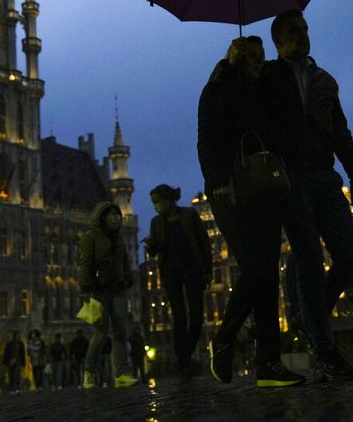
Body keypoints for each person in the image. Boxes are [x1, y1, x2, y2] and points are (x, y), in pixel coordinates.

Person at [260, 9, 353, 381]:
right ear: (278, 41)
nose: (302, 36)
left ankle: (308, 317)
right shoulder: (269, 78)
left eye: (304, 30)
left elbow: (341, 131)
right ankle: (324, 351)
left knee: (350, 255)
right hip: (290, 178)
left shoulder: (325, 81)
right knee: (307, 259)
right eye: (293, 31)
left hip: (325, 175)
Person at [198, 36, 305, 387]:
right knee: (254, 268)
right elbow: (208, 140)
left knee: (268, 277)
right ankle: (224, 338)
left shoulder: (266, 91)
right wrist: (217, 181)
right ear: (236, 58)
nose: (259, 62)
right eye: (252, 57)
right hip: (230, 190)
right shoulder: (216, 91)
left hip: (265, 189)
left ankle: (268, 364)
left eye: (261, 56)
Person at [146, 184, 212, 377]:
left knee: (197, 318)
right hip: (170, 272)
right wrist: (151, 245)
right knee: (179, 317)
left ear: (168, 199)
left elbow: (203, 242)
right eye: (153, 203)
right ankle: (183, 363)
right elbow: (155, 251)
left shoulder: (189, 215)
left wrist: (207, 270)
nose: (156, 206)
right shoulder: (156, 222)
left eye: (157, 202)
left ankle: (184, 353)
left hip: (192, 269)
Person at [78, 201, 139, 389]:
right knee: (101, 333)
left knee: (121, 332)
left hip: (118, 289)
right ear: (102, 217)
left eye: (118, 215)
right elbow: (86, 263)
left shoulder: (119, 238)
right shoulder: (91, 237)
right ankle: (89, 372)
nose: (116, 218)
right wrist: (85, 289)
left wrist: (128, 278)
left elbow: (125, 261)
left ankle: (121, 374)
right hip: (99, 290)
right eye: (112, 215)